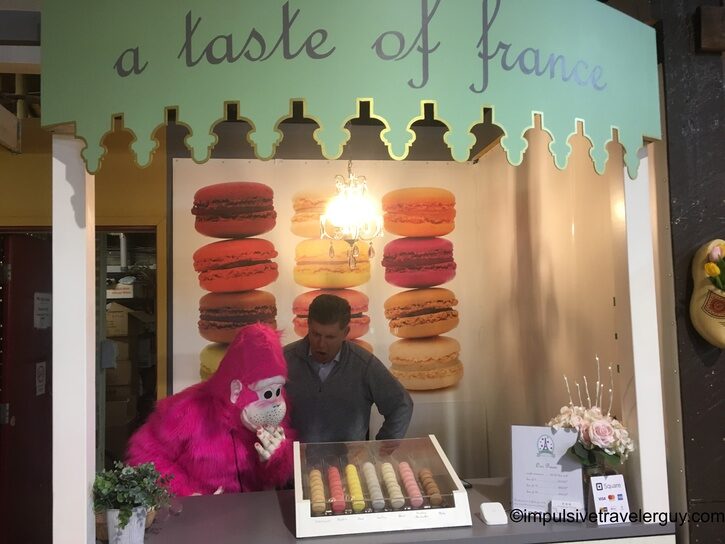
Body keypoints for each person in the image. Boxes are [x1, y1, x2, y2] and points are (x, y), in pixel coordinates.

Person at [284, 293, 413, 443]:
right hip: (295, 456)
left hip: (351, 457)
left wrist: (382, 449)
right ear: (309, 326)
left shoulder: (363, 364)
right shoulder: (283, 359)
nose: (321, 344)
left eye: (330, 337)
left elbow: (401, 405)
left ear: (345, 333)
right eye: (316, 334)